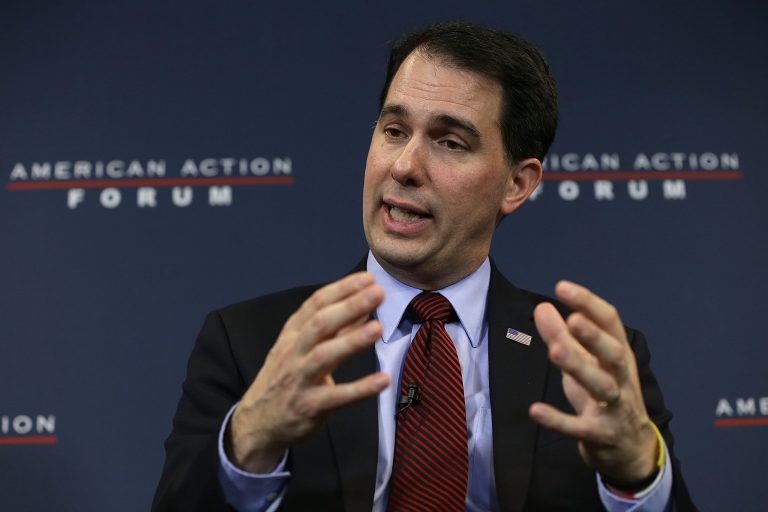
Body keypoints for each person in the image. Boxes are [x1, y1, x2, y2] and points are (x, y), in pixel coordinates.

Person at [153, 21, 696, 511]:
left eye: (450, 142)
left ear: (517, 183)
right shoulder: (251, 342)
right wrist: (248, 440)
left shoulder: (587, 364)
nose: (405, 165)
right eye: (393, 131)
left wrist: (637, 478)